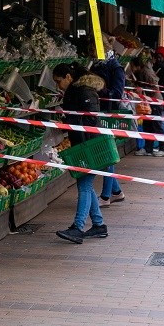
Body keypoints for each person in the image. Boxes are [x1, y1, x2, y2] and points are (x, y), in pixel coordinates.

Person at [53, 63, 109, 243]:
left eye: (58, 81)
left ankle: (77, 227)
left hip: (89, 145)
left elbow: (90, 118)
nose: (57, 86)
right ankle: (99, 225)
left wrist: (69, 119)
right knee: (86, 184)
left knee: (84, 185)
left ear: (69, 77)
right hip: (83, 143)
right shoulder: (79, 90)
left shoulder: (83, 91)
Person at [90, 57, 127, 206]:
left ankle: (106, 196)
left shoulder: (116, 68)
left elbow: (117, 94)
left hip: (109, 115)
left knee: (107, 153)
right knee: (106, 153)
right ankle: (116, 192)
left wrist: (101, 90)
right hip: (99, 112)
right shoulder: (97, 65)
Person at [128, 53, 164, 158]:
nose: (131, 68)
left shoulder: (146, 71)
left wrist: (143, 90)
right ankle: (148, 148)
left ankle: (163, 148)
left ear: (137, 65)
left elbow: (155, 85)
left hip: (154, 101)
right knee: (148, 125)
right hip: (148, 101)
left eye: (132, 66)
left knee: (157, 125)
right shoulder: (141, 72)